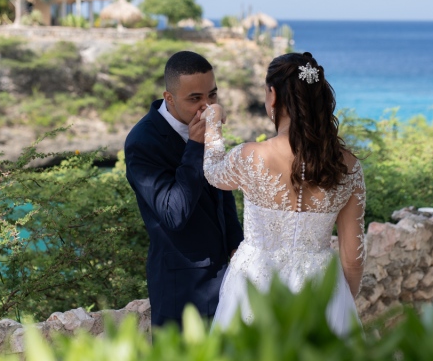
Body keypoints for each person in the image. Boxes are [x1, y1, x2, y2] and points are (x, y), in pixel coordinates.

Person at [201, 52, 365, 335]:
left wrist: (213, 120)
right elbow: (353, 258)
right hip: (321, 289)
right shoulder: (349, 166)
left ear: (273, 95)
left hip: (254, 286)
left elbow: (213, 171)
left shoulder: (250, 156)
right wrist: (341, 303)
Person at [125, 51, 244, 328]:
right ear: (169, 98)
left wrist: (238, 249)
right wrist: (196, 146)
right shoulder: (142, 142)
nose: (207, 107)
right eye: (195, 99)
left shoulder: (204, 127)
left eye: (212, 96)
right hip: (181, 290)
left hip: (227, 282)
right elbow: (173, 214)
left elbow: (220, 192)